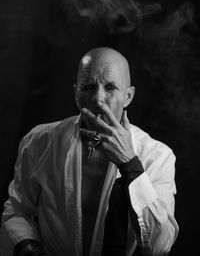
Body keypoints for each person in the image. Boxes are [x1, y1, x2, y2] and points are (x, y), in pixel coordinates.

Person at [1, 47, 179, 256]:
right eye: (89, 86)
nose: (98, 98)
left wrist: (129, 163)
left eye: (110, 87)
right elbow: (17, 210)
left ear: (128, 96)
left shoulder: (157, 156)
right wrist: (29, 249)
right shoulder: (39, 142)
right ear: (76, 94)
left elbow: (159, 247)